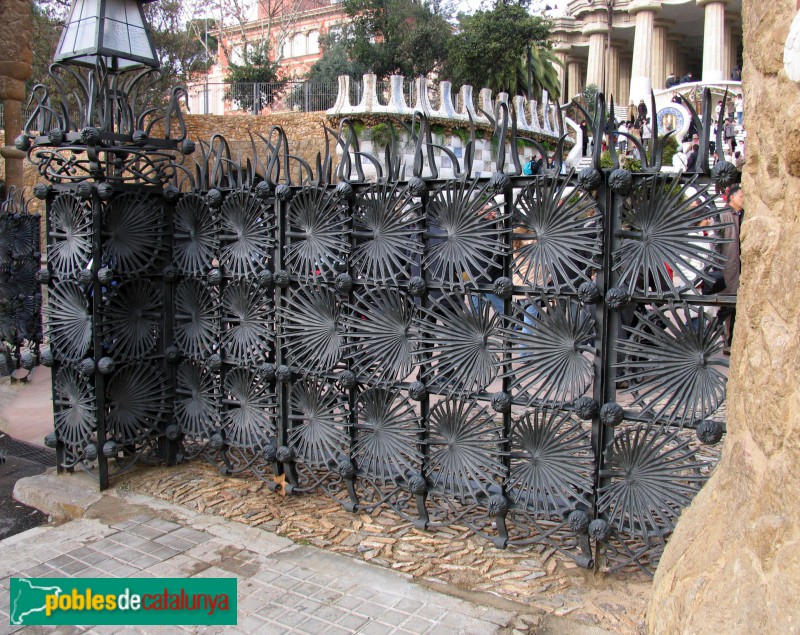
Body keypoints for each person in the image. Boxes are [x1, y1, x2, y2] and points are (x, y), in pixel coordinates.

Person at [716, 185, 743, 354]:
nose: (743, 199)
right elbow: (716, 243)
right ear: (731, 198)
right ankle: (727, 339)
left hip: (739, 269)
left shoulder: (743, 215)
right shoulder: (723, 215)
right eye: (741, 195)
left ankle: (731, 340)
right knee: (728, 306)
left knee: (735, 306)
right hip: (728, 269)